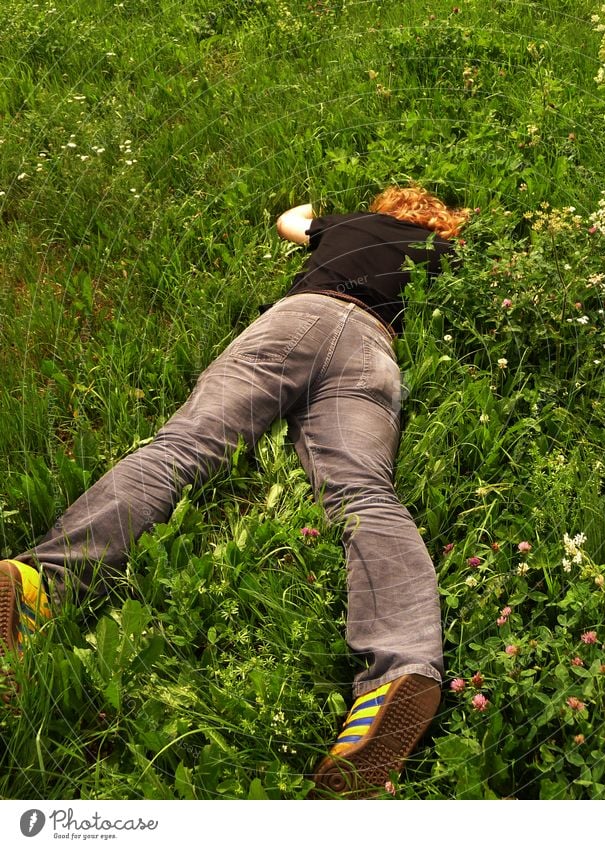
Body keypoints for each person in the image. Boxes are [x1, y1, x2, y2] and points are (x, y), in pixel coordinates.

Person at [0, 184, 470, 797]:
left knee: (183, 448)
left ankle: (41, 585)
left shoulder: (348, 224)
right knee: (366, 495)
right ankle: (400, 670)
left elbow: (288, 222)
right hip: (372, 347)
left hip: (298, 318)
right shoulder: (437, 251)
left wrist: (316, 211)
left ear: (385, 205)